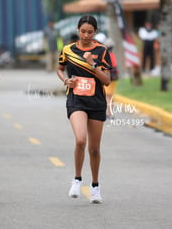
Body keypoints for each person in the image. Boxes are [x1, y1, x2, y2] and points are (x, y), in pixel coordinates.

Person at [57, 15, 112, 204]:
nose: (86, 35)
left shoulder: (102, 50)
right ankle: (77, 179)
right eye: (83, 31)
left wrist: (92, 65)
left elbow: (106, 80)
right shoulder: (68, 49)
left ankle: (95, 186)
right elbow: (60, 68)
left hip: (96, 102)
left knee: (94, 149)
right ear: (78, 30)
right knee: (80, 139)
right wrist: (66, 80)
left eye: (90, 32)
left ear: (95, 32)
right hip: (76, 100)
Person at [94, 33, 119, 119]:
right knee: (109, 96)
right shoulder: (111, 54)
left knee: (107, 96)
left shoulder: (105, 55)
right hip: (114, 77)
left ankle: (109, 113)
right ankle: (110, 113)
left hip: (109, 77)